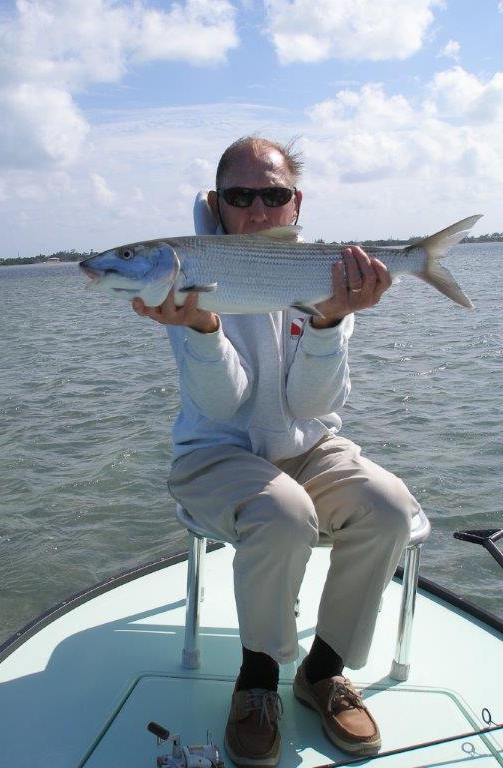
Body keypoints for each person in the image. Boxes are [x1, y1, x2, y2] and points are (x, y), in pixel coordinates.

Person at [132, 136, 421, 768]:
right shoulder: (188, 273)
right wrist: (203, 327)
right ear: (217, 204)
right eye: (240, 196)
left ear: (297, 203)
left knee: (389, 507)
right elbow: (223, 404)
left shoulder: (323, 273)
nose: (258, 210)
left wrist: (328, 320)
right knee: (282, 512)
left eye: (274, 194)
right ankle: (257, 680)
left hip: (307, 445)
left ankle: (323, 670)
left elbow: (313, 404)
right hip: (215, 453)